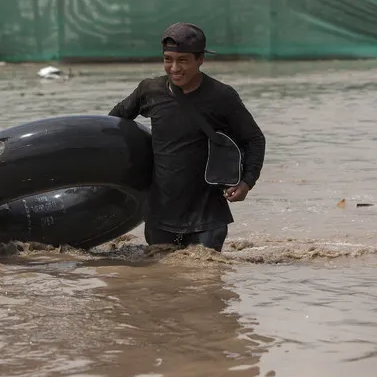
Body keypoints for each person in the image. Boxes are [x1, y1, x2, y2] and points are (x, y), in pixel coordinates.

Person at [108, 23, 265, 252]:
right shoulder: (149, 90)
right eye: (168, 59)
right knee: (164, 282)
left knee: (207, 281)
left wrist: (247, 182)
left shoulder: (222, 96)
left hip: (208, 215)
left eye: (183, 60)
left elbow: (254, 139)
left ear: (200, 59)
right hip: (160, 215)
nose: (174, 68)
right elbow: (114, 122)